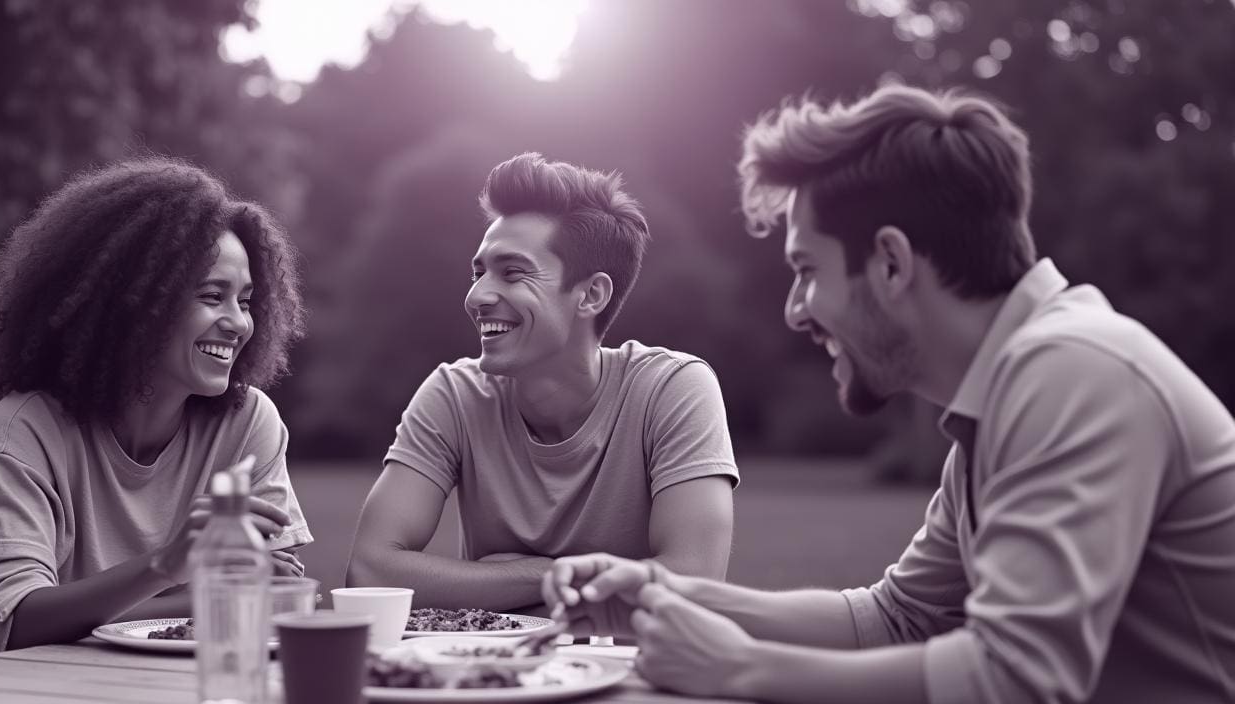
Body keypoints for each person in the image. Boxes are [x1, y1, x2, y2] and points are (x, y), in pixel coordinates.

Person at [543, 85, 1235, 703]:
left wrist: (740, 669)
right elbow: (895, 620)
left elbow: (1017, 679)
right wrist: (664, 594)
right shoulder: (1000, 403)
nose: (795, 310)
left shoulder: (1074, 371)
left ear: (892, 263)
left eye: (806, 270)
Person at [0, 158, 314, 664]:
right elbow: (12, 626)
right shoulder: (30, 426)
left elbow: (275, 592)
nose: (238, 324)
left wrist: (119, 611)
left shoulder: (247, 422)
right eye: (213, 296)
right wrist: (167, 567)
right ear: (134, 303)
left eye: (247, 302)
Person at [346, 153, 739, 612]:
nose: (476, 297)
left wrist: (492, 582)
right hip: (497, 677)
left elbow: (693, 585)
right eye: (478, 273)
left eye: (512, 272)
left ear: (591, 295)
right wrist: (549, 575)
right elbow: (369, 573)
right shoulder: (455, 394)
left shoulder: (672, 388)